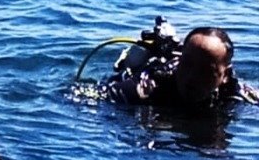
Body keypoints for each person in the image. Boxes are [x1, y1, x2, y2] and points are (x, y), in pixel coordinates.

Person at [99, 22, 258, 110]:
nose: (192, 77)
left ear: (225, 75)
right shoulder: (149, 85)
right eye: (187, 64)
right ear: (180, 60)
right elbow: (93, 96)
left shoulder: (236, 91)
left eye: (205, 71)